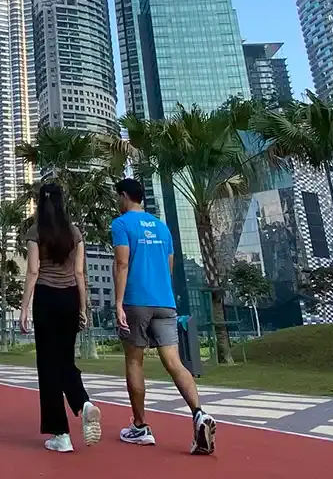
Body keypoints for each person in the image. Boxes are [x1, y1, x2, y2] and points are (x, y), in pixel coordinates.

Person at [112, 177, 216, 455]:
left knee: (134, 360)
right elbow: (169, 265)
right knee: (174, 362)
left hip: (136, 300)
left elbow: (122, 263)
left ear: (124, 196)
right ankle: (199, 413)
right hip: (164, 301)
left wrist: (119, 302)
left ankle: (140, 426)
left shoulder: (121, 224)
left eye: (118, 197)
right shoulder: (162, 227)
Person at [21, 183, 101, 453]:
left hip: (46, 297)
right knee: (65, 360)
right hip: (69, 298)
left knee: (48, 365)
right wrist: (83, 308)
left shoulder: (36, 231)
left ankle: (61, 434)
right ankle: (84, 403)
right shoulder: (74, 232)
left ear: (40, 203)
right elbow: (80, 274)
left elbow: (33, 272)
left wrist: (24, 309)